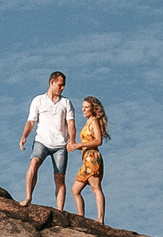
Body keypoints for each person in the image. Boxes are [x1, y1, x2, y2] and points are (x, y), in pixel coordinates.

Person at [19, 71, 76, 206]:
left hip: (60, 145)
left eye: (63, 86)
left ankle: (60, 210)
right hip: (42, 141)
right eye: (60, 85)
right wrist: (24, 136)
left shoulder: (66, 103)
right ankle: (28, 197)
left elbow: (71, 123)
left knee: (59, 177)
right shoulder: (38, 100)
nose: (62, 88)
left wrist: (72, 140)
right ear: (52, 82)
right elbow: (31, 121)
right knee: (34, 163)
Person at [69, 96, 109, 223]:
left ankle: (100, 218)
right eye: (83, 107)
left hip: (93, 158)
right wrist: (75, 147)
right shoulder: (88, 122)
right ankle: (81, 216)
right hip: (86, 159)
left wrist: (78, 145)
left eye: (86, 107)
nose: (83, 109)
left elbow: (98, 141)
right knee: (75, 190)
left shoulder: (94, 121)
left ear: (93, 109)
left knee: (95, 187)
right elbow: (87, 143)